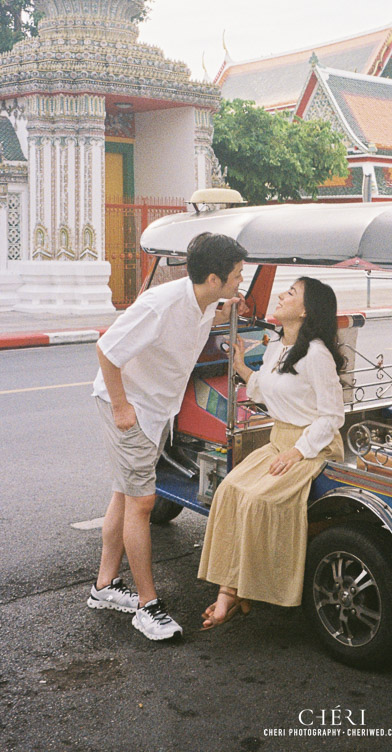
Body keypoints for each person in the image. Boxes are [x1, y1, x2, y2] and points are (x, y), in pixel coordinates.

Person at [88, 231, 247, 641]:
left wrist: (227, 308)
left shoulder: (201, 301)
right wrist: (123, 408)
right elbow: (107, 350)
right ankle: (147, 605)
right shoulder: (161, 305)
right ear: (213, 278)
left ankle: (104, 586)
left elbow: (202, 317)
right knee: (142, 502)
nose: (240, 281)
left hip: (156, 409)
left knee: (124, 496)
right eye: (236, 276)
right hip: (133, 409)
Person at [198, 276, 345, 628]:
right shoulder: (278, 348)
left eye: (290, 293)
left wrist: (297, 453)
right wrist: (241, 368)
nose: (281, 295)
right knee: (230, 492)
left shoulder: (317, 355)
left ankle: (241, 593)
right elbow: (266, 390)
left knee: (258, 501)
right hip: (279, 441)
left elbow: (332, 416)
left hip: (312, 447)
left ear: (306, 311)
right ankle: (229, 592)